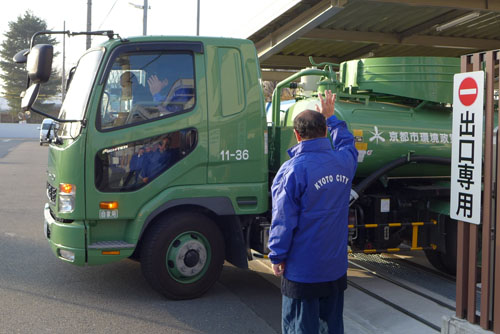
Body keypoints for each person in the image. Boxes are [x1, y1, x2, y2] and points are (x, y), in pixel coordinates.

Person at [267, 90, 358, 334]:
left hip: (303, 272)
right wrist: (332, 117)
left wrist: (277, 256)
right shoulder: (344, 162)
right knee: (331, 326)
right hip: (335, 268)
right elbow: (348, 143)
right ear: (326, 131)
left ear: (296, 135)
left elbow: (283, 221)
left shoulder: (292, 171)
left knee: (300, 328)